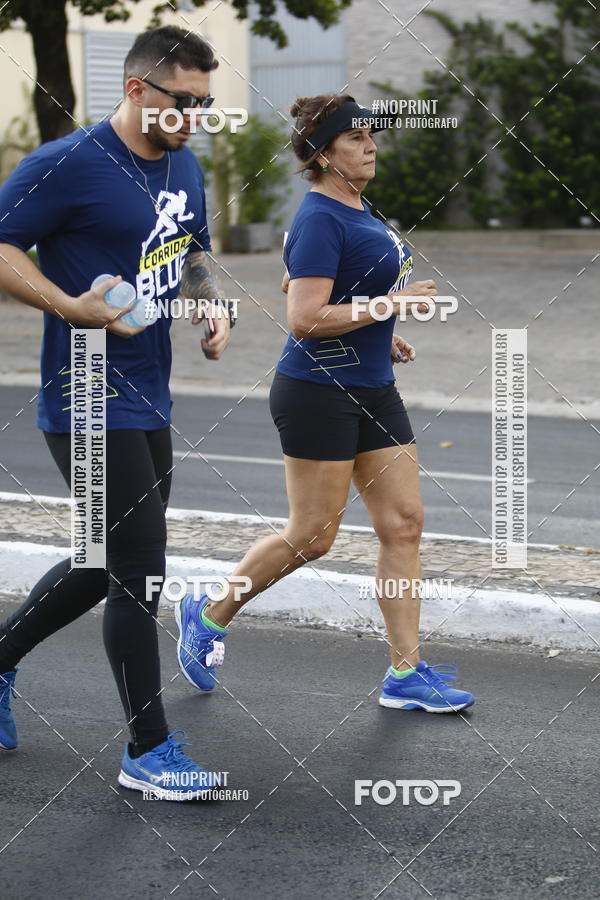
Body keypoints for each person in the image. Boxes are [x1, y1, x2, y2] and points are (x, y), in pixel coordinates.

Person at [175, 94, 475, 713]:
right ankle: (207, 615)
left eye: (371, 135)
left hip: (373, 387)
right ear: (323, 153)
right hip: (318, 392)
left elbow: (319, 282)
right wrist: (391, 305)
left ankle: (405, 673)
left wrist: (379, 330)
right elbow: (304, 316)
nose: (371, 146)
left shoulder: (357, 209)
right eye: (356, 138)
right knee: (313, 537)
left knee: (405, 523)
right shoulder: (319, 216)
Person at [0, 26, 236, 799]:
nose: (195, 117)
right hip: (86, 394)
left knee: (104, 561)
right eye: (184, 101)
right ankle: (148, 750)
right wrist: (69, 305)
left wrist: (211, 304)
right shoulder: (67, 163)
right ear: (136, 89)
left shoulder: (184, 162)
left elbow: (193, 252)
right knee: (138, 564)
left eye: (205, 104)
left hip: (149, 392)